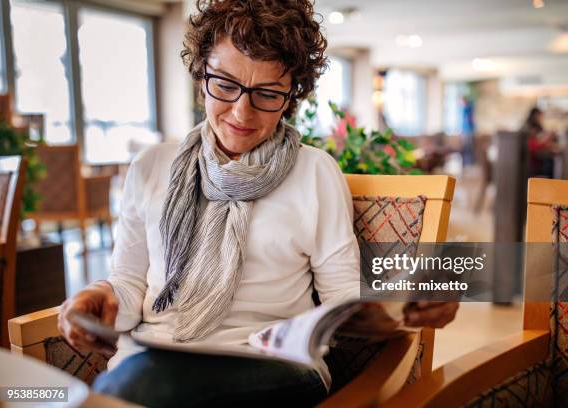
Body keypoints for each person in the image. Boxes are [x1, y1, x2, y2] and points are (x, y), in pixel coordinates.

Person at [57, 1, 458, 406]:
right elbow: (128, 286)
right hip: (154, 357)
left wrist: (405, 306)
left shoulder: (316, 173)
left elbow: (343, 300)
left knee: (134, 392)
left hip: (276, 365)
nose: (241, 112)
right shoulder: (150, 167)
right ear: (201, 77)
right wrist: (101, 297)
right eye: (226, 85)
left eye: (267, 93)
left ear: (291, 96)